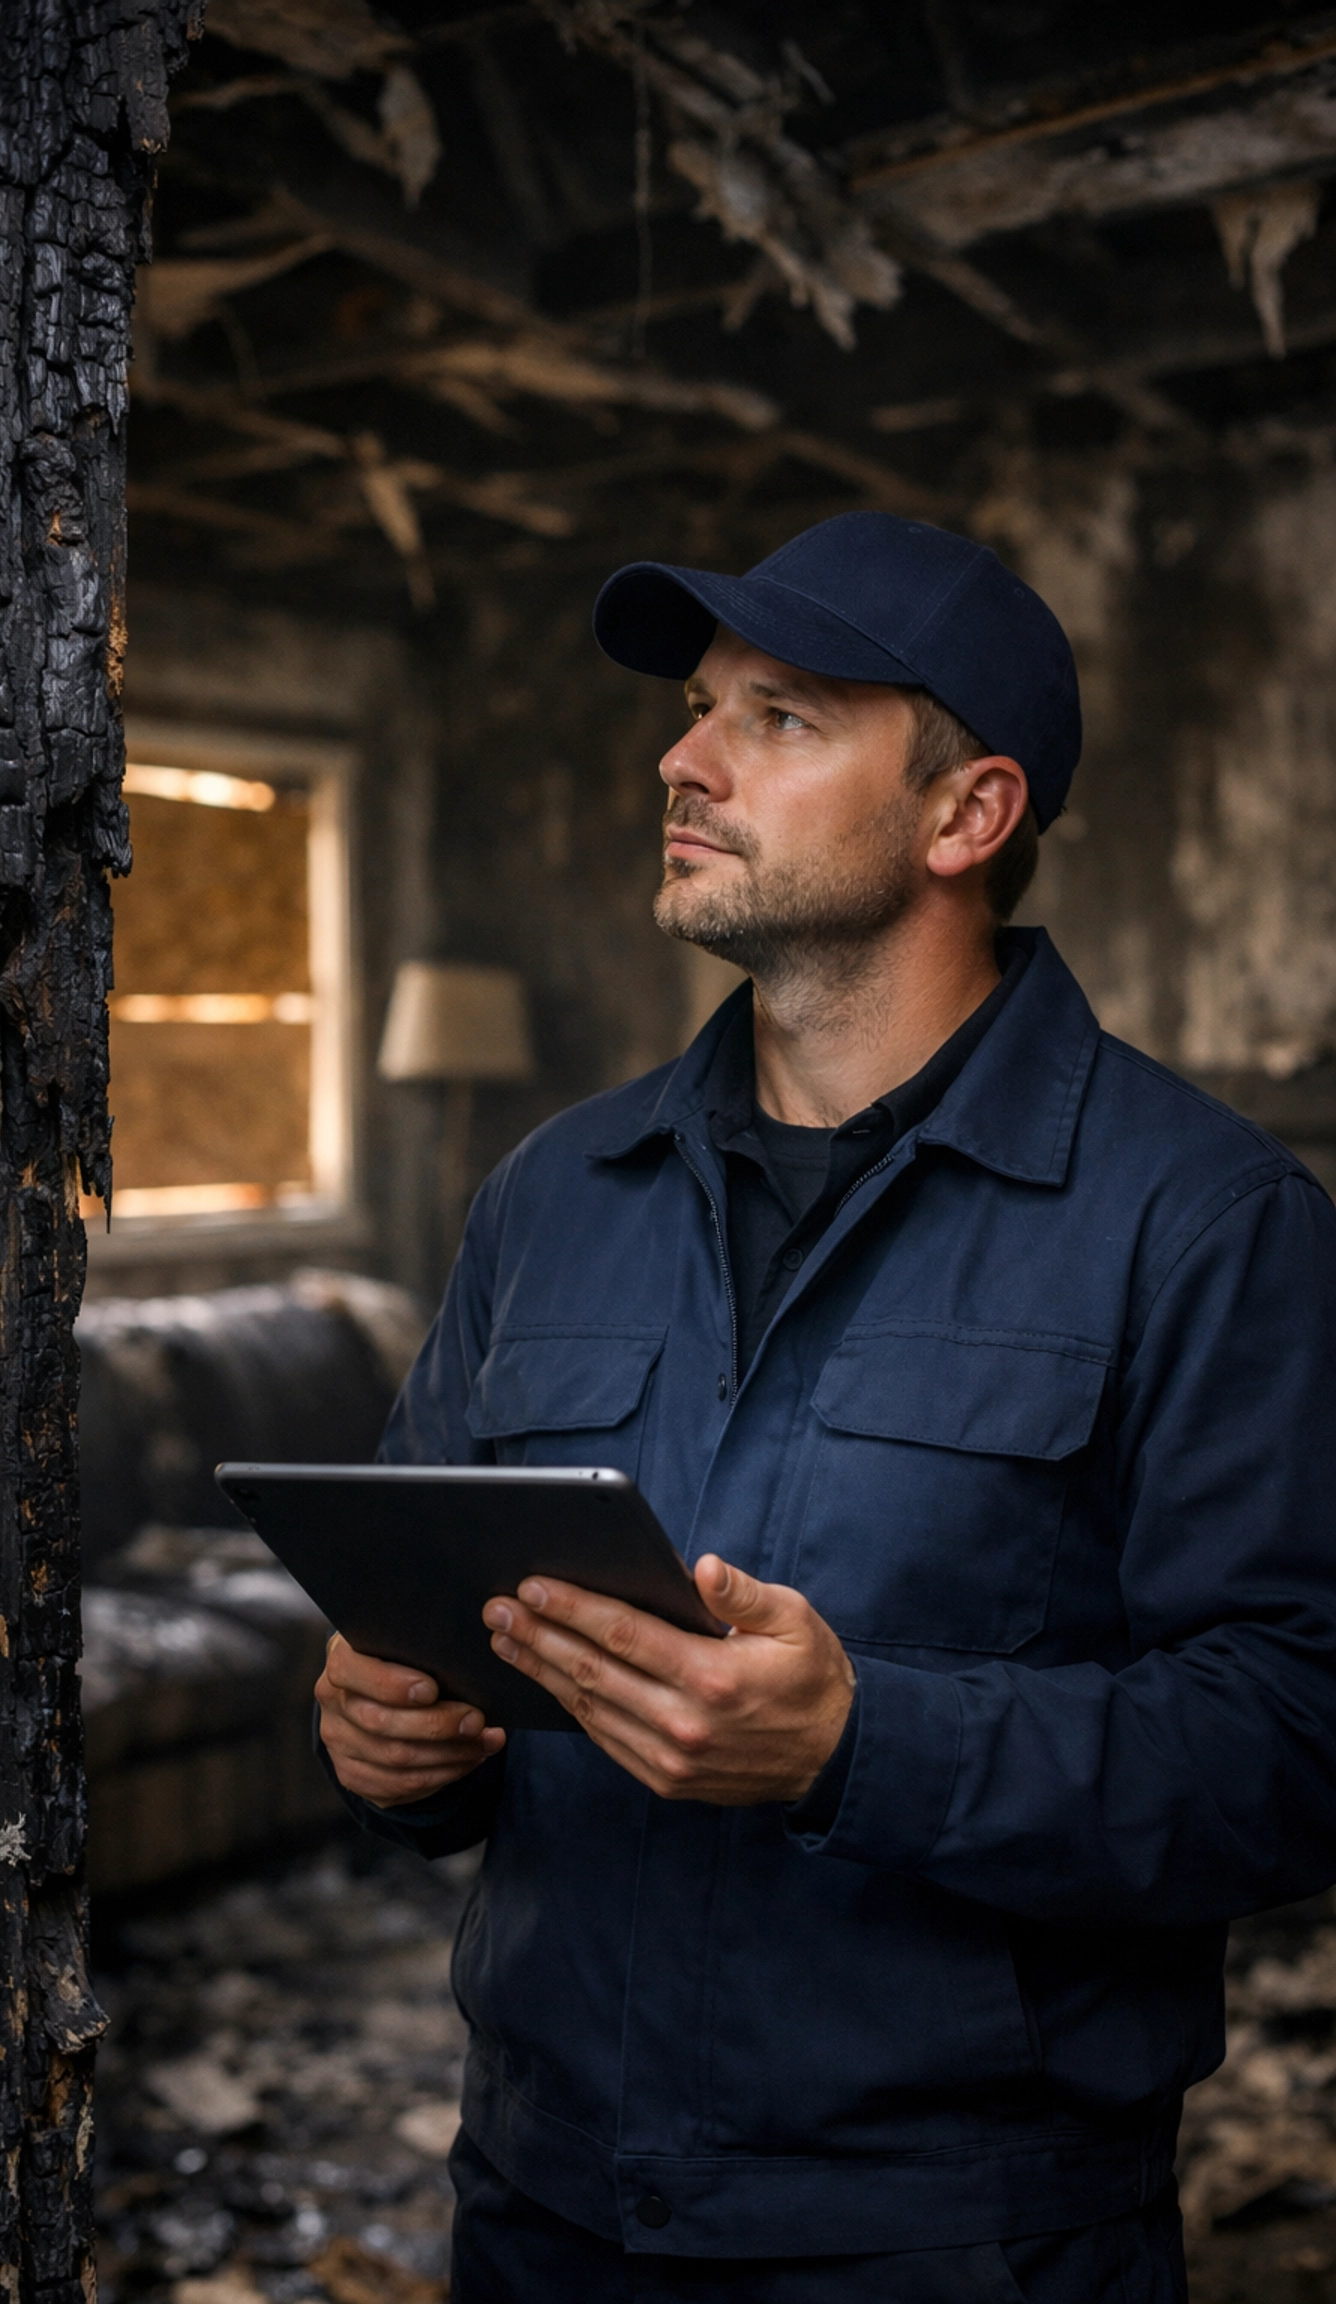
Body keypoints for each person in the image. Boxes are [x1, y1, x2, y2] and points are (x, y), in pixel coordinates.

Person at [315, 512, 1336, 2302]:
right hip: (544, 2209)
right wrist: (395, 1743)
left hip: (957, 2239)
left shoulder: (1207, 1222)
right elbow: (416, 1623)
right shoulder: (552, 1193)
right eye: (701, 705)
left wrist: (860, 1745)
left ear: (969, 815)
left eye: (780, 718)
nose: (684, 757)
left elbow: (1294, 1744)